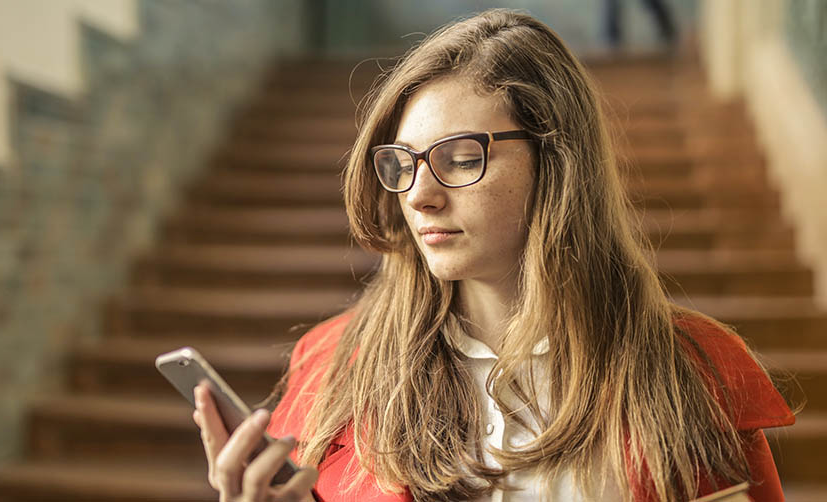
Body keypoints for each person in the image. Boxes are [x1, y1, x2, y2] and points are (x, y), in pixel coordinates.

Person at [192, 9, 794, 502]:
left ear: (554, 163)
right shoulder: (329, 367)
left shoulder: (696, 371)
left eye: (458, 159)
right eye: (403, 164)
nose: (421, 196)